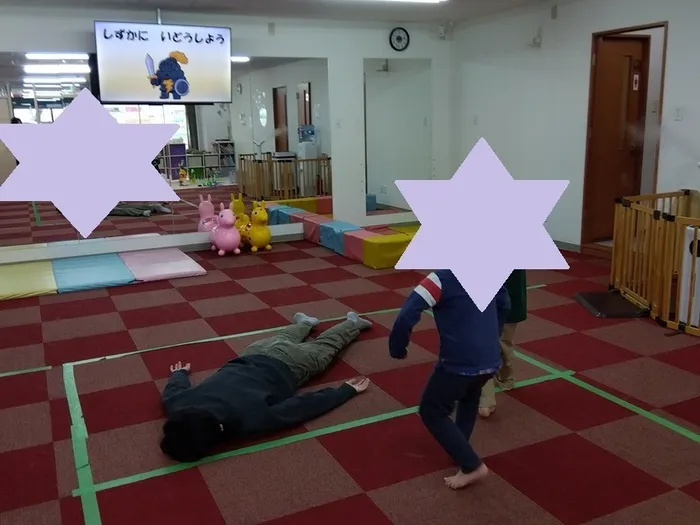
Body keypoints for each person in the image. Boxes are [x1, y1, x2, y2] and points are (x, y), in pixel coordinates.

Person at [160, 311, 373, 462]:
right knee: (281, 338)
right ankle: (306, 323)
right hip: (251, 354)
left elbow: (301, 407)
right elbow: (173, 390)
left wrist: (344, 391)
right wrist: (179, 374)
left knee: (324, 346)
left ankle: (352, 323)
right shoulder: (178, 405)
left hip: (290, 365)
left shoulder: (248, 421)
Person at [389, 270, 510, 490]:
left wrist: (397, 346)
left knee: (431, 410)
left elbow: (408, 312)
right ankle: (460, 450)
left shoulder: (440, 279)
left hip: (458, 361)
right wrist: (492, 336)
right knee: (470, 397)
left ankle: (472, 465)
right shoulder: (487, 275)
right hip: (490, 358)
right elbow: (504, 304)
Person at [478, 269, 528, 418]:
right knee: (491, 344)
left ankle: (504, 377)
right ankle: (488, 397)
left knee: (499, 343)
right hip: (494, 299)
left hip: (505, 299)